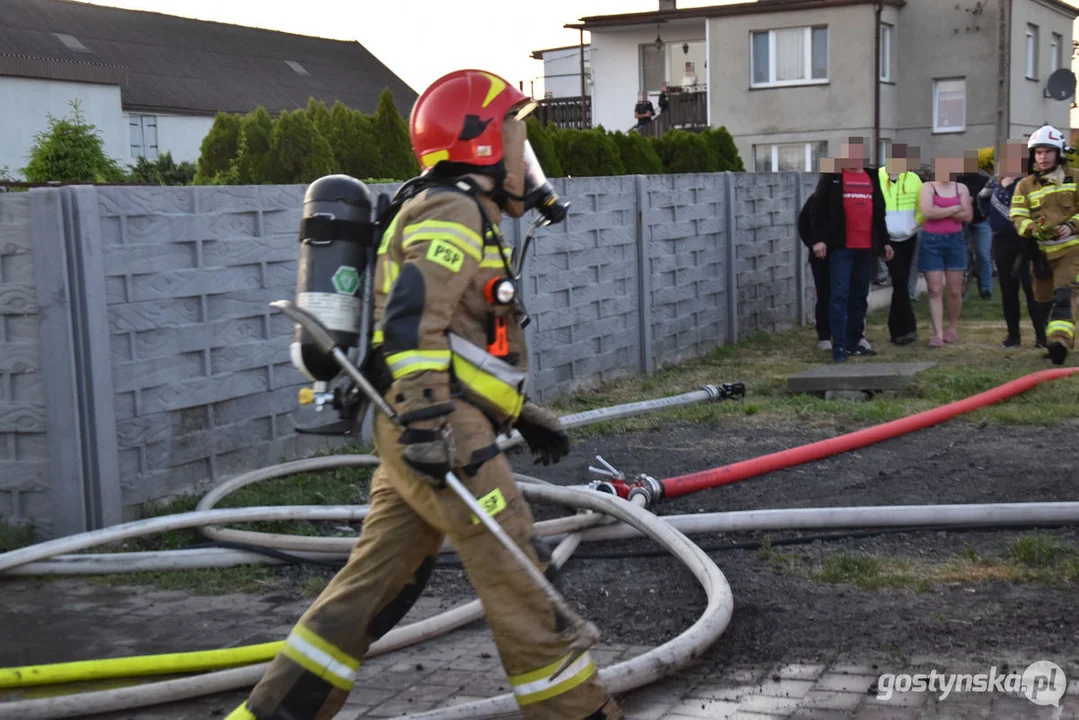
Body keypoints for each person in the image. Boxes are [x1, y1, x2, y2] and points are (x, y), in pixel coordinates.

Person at [225, 69, 623, 720]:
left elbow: (464, 345)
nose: (527, 162)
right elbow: (412, 324)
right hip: (435, 427)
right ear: (481, 145)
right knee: (516, 569)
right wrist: (426, 422)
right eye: (516, 143)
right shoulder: (453, 209)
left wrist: (526, 415)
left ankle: (268, 714)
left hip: (422, 421)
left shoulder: (466, 212)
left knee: (370, 588)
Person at [809, 138, 893, 363]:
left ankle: (856, 340)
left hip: (865, 249)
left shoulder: (872, 177)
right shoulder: (833, 177)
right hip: (841, 248)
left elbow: (879, 213)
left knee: (859, 296)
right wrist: (818, 240)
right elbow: (818, 211)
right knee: (839, 296)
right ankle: (839, 346)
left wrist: (884, 241)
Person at [1010, 124, 1079, 365]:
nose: (1042, 156)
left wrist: (1071, 226)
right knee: (1043, 301)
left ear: (1058, 152)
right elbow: (1017, 214)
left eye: (1048, 151)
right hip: (1040, 253)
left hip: (1071, 250)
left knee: (1064, 295)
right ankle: (1053, 339)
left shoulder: (1075, 177)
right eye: (1038, 152)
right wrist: (1030, 228)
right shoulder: (1025, 185)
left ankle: (1060, 342)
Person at [977, 140, 1047, 349]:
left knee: (1031, 289)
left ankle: (1041, 337)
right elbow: (981, 199)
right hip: (1001, 241)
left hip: (1026, 240)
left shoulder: (1029, 182)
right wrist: (990, 218)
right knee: (1008, 288)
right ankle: (1013, 337)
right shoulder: (995, 182)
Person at [918, 153, 974, 347]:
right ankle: (937, 334)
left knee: (954, 290)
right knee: (934, 289)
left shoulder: (961, 188)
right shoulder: (928, 187)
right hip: (931, 242)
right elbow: (927, 212)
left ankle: (952, 328)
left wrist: (941, 211)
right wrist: (954, 208)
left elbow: (967, 216)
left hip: (955, 242)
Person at [878, 143, 924, 345]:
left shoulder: (914, 179)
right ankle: (905, 329)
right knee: (899, 281)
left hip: (908, 238)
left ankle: (899, 330)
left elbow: (921, 206)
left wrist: (915, 224)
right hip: (887, 241)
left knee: (901, 283)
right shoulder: (878, 177)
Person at [958, 155, 994, 300]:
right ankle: (960, 289)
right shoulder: (958, 181)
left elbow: (991, 200)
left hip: (982, 221)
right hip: (963, 221)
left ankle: (986, 289)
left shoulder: (985, 180)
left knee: (983, 255)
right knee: (961, 255)